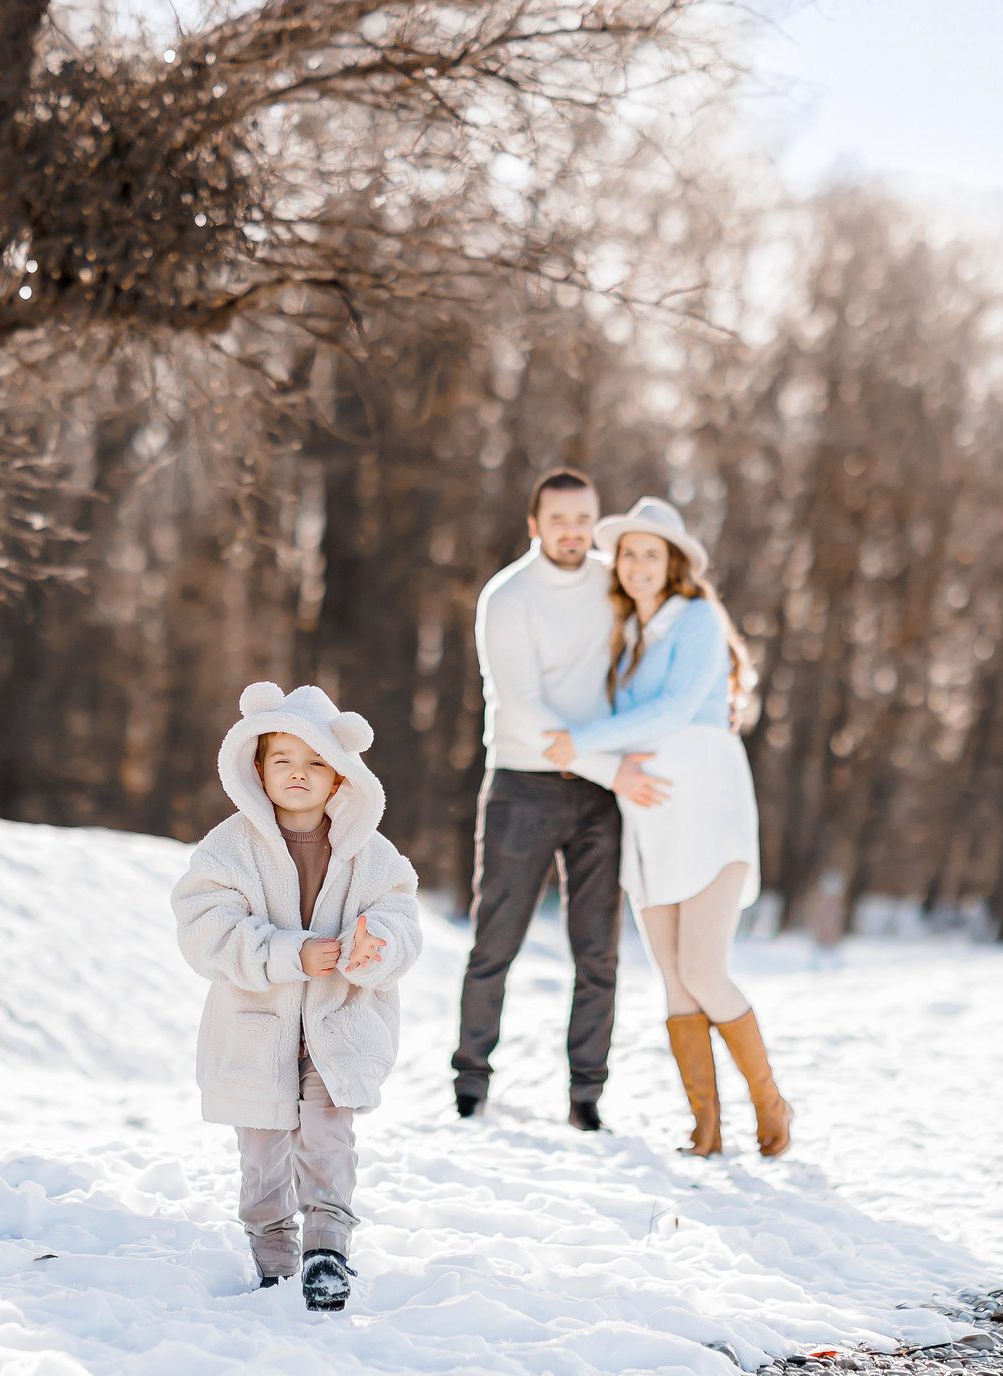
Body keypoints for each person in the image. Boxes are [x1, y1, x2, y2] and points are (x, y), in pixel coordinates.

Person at [541, 495, 794, 1159]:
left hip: (708, 809)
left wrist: (584, 739)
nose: (638, 564)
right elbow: (628, 740)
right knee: (676, 981)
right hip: (651, 825)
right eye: (628, 553)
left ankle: (771, 1103)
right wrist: (594, 757)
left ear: (674, 562)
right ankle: (705, 1129)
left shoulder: (699, 619)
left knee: (706, 971)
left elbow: (676, 708)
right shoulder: (626, 637)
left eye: (652, 553)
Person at [173, 682, 424, 1311]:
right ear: (256, 766)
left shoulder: (370, 852)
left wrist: (379, 948)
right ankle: (273, 1254)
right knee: (262, 1151)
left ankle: (327, 1252)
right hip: (257, 1024)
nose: (299, 774)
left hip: (340, 1021)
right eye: (283, 759)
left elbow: (399, 917)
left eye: (316, 763)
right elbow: (205, 927)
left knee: (327, 1137)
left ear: (342, 777)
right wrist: (287, 952)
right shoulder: (230, 847)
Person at [453, 469, 660, 1131]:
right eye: (558, 519)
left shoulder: (616, 582)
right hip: (523, 785)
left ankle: (586, 1097)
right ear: (534, 524)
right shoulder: (507, 597)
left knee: (598, 950)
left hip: (601, 794)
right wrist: (613, 768)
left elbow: (655, 664)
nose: (572, 531)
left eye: (583, 518)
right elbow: (527, 712)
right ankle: (470, 1082)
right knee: (497, 940)